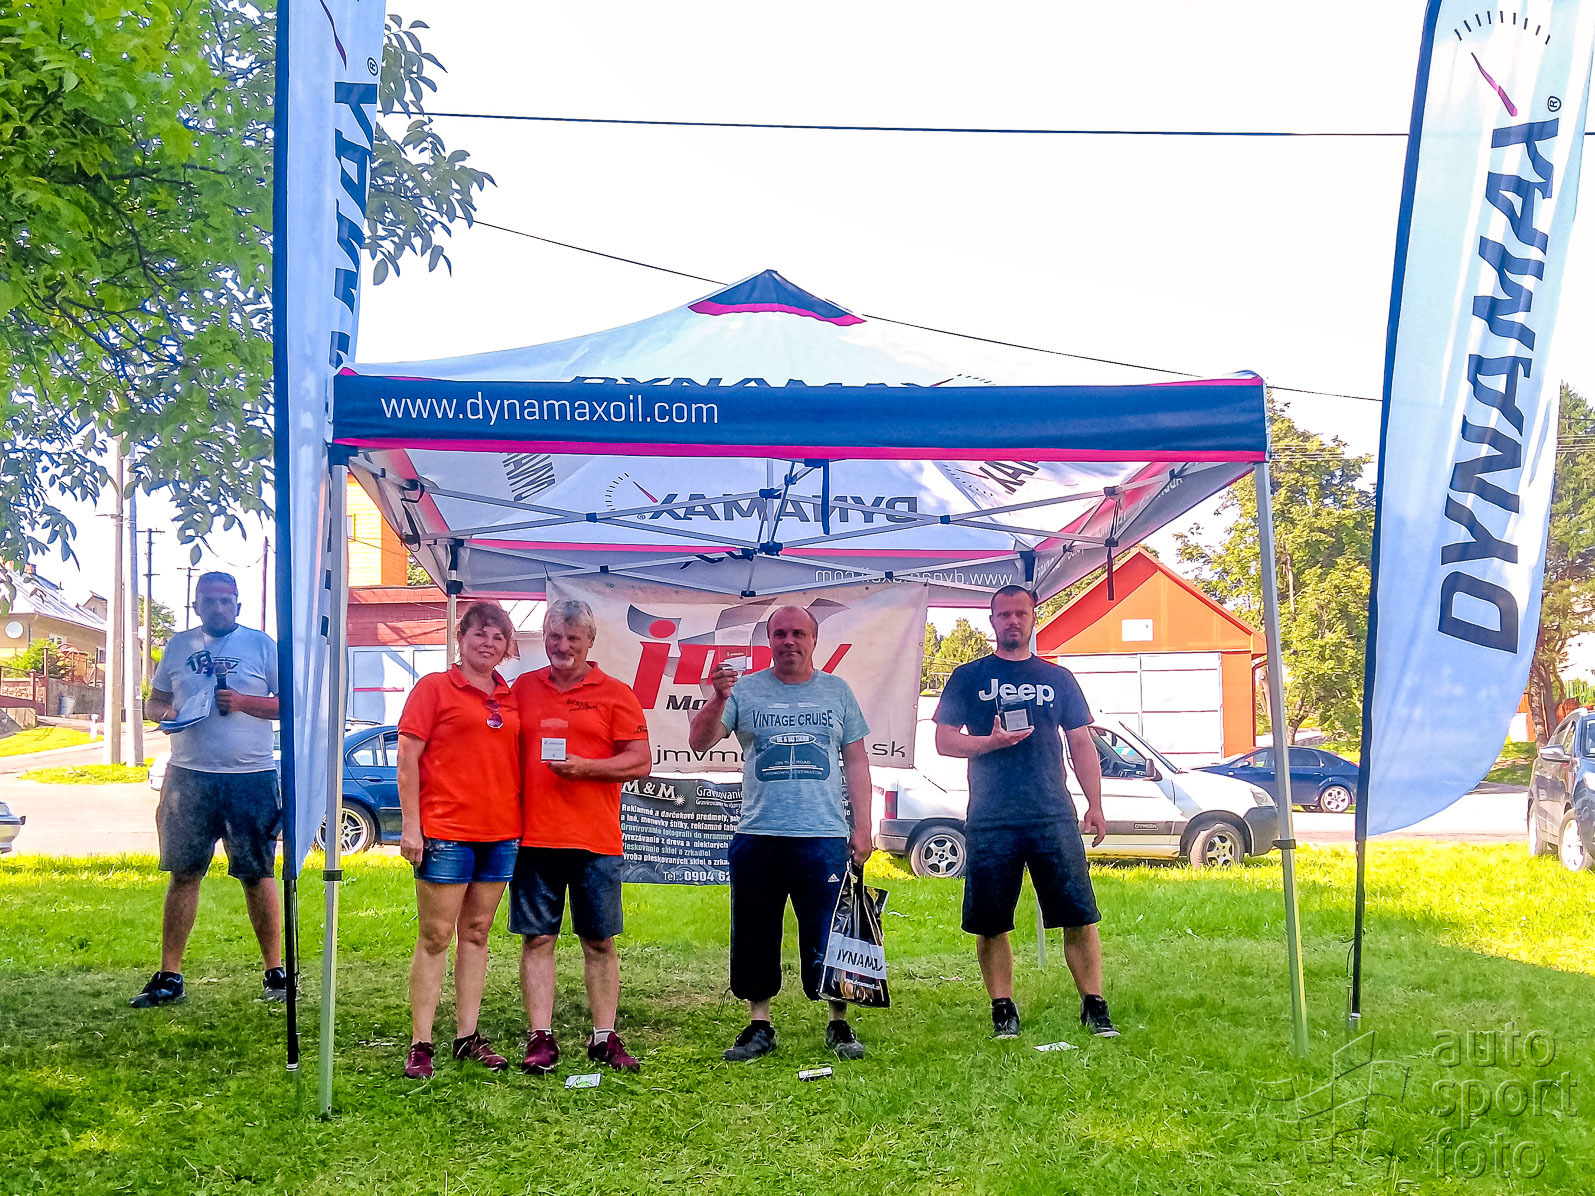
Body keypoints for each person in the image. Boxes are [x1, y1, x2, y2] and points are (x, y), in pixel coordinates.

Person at [688, 605, 875, 1062]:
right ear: (768, 640)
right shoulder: (743, 690)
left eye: (798, 633)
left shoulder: (837, 691)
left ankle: (839, 1023)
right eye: (780, 634)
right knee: (755, 931)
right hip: (759, 834)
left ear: (814, 640)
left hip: (824, 834)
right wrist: (717, 698)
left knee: (831, 932)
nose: (789, 641)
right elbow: (699, 741)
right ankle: (759, 1025)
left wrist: (863, 826)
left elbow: (856, 761)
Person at [933, 584, 1119, 1039]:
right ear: (992, 621)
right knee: (991, 920)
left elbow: (1081, 743)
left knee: (1079, 914)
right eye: (1004, 614)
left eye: (1021, 613)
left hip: (1052, 813)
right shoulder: (969, 676)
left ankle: (1094, 1005)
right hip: (992, 816)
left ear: (1034, 618)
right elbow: (944, 740)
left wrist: (1095, 804)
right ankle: (1003, 1008)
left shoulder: (1058, 677)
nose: (1012, 621)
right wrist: (989, 743)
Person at [509, 599, 651, 1075]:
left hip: (595, 839)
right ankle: (540, 1036)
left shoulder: (615, 693)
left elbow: (640, 760)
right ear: (544, 638)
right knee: (537, 940)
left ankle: (604, 1036)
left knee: (600, 942)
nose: (563, 645)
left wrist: (586, 768)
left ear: (590, 641)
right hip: (534, 837)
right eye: (555, 636)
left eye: (573, 637)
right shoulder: (523, 689)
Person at [134, 572, 284, 1008]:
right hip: (189, 776)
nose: (217, 607)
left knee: (257, 874)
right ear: (196, 605)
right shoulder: (179, 646)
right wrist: (168, 713)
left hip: (250, 776)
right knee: (184, 873)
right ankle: (170, 975)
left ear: (237, 605)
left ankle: (275, 972)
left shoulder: (261, 645)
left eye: (225, 600)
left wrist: (242, 702)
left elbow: (289, 704)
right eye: (208, 600)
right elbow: (154, 703)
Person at [396, 601, 524, 1079]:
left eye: (498, 636)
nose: (488, 643)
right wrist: (412, 826)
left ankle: (467, 1036)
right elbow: (407, 760)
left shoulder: (511, 696)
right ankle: (421, 1042)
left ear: (507, 646)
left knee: (477, 933)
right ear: (460, 638)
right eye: (479, 634)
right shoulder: (433, 688)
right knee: (435, 936)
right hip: (446, 832)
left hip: (501, 833)